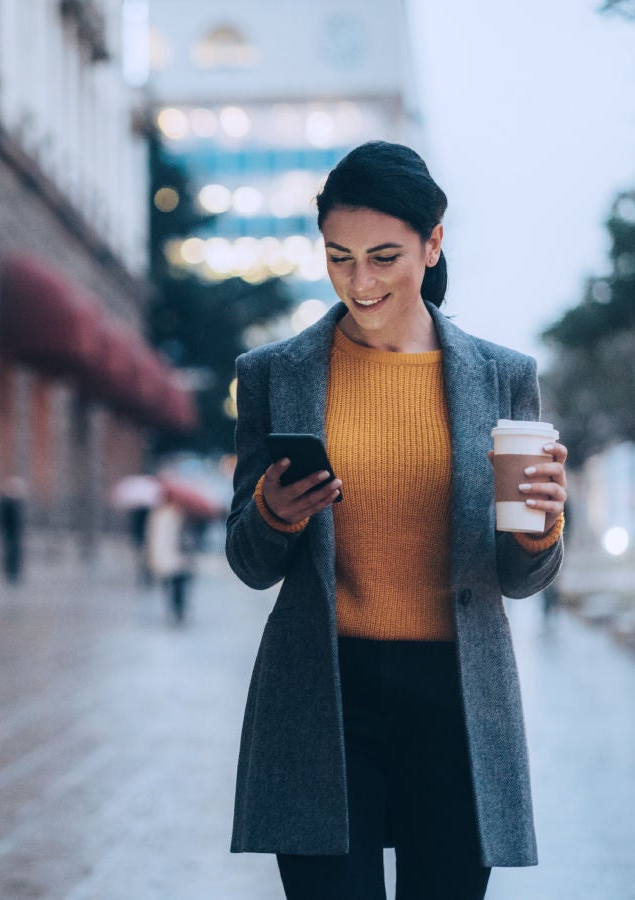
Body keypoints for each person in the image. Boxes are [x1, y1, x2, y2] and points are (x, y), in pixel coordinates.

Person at [225, 141, 568, 899]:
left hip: (456, 700)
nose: (361, 281)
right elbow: (250, 563)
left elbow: (519, 578)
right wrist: (271, 516)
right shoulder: (273, 375)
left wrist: (541, 528)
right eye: (339, 256)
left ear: (433, 241)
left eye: (384, 256)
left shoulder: (503, 377)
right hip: (323, 692)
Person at [0, 476, 27, 584]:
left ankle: (13, 574)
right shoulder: (7, 503)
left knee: (14, 554)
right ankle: (11, 575)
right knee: (11, 554)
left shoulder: (13, 503)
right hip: (10, 533)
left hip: (13, 533)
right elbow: (3, 519)